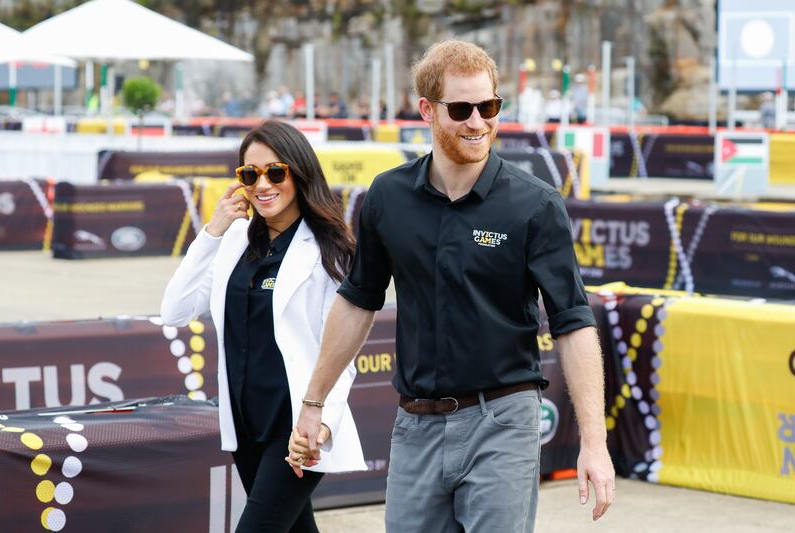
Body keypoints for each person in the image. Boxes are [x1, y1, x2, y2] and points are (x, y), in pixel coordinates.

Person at [289, 40, 615, 532]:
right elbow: (357, 301)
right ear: (427, 110)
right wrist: (314, 403)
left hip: (503, 421)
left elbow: (573, 323)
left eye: (489, 107)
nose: (478, 122)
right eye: (461, 109)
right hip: (415, 425)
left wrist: (594, 442)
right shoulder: (387, 196)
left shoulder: (535, 204)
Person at [161, 120, 366, 532]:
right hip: (244, 425)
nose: (262, 185)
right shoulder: (234, 240)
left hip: (296, 430)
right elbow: (174, 311)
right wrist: (212, 232)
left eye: (275, 172)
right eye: (249, 174)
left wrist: (321, 423)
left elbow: (341, 352)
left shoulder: (330, 251)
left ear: (299, 172)